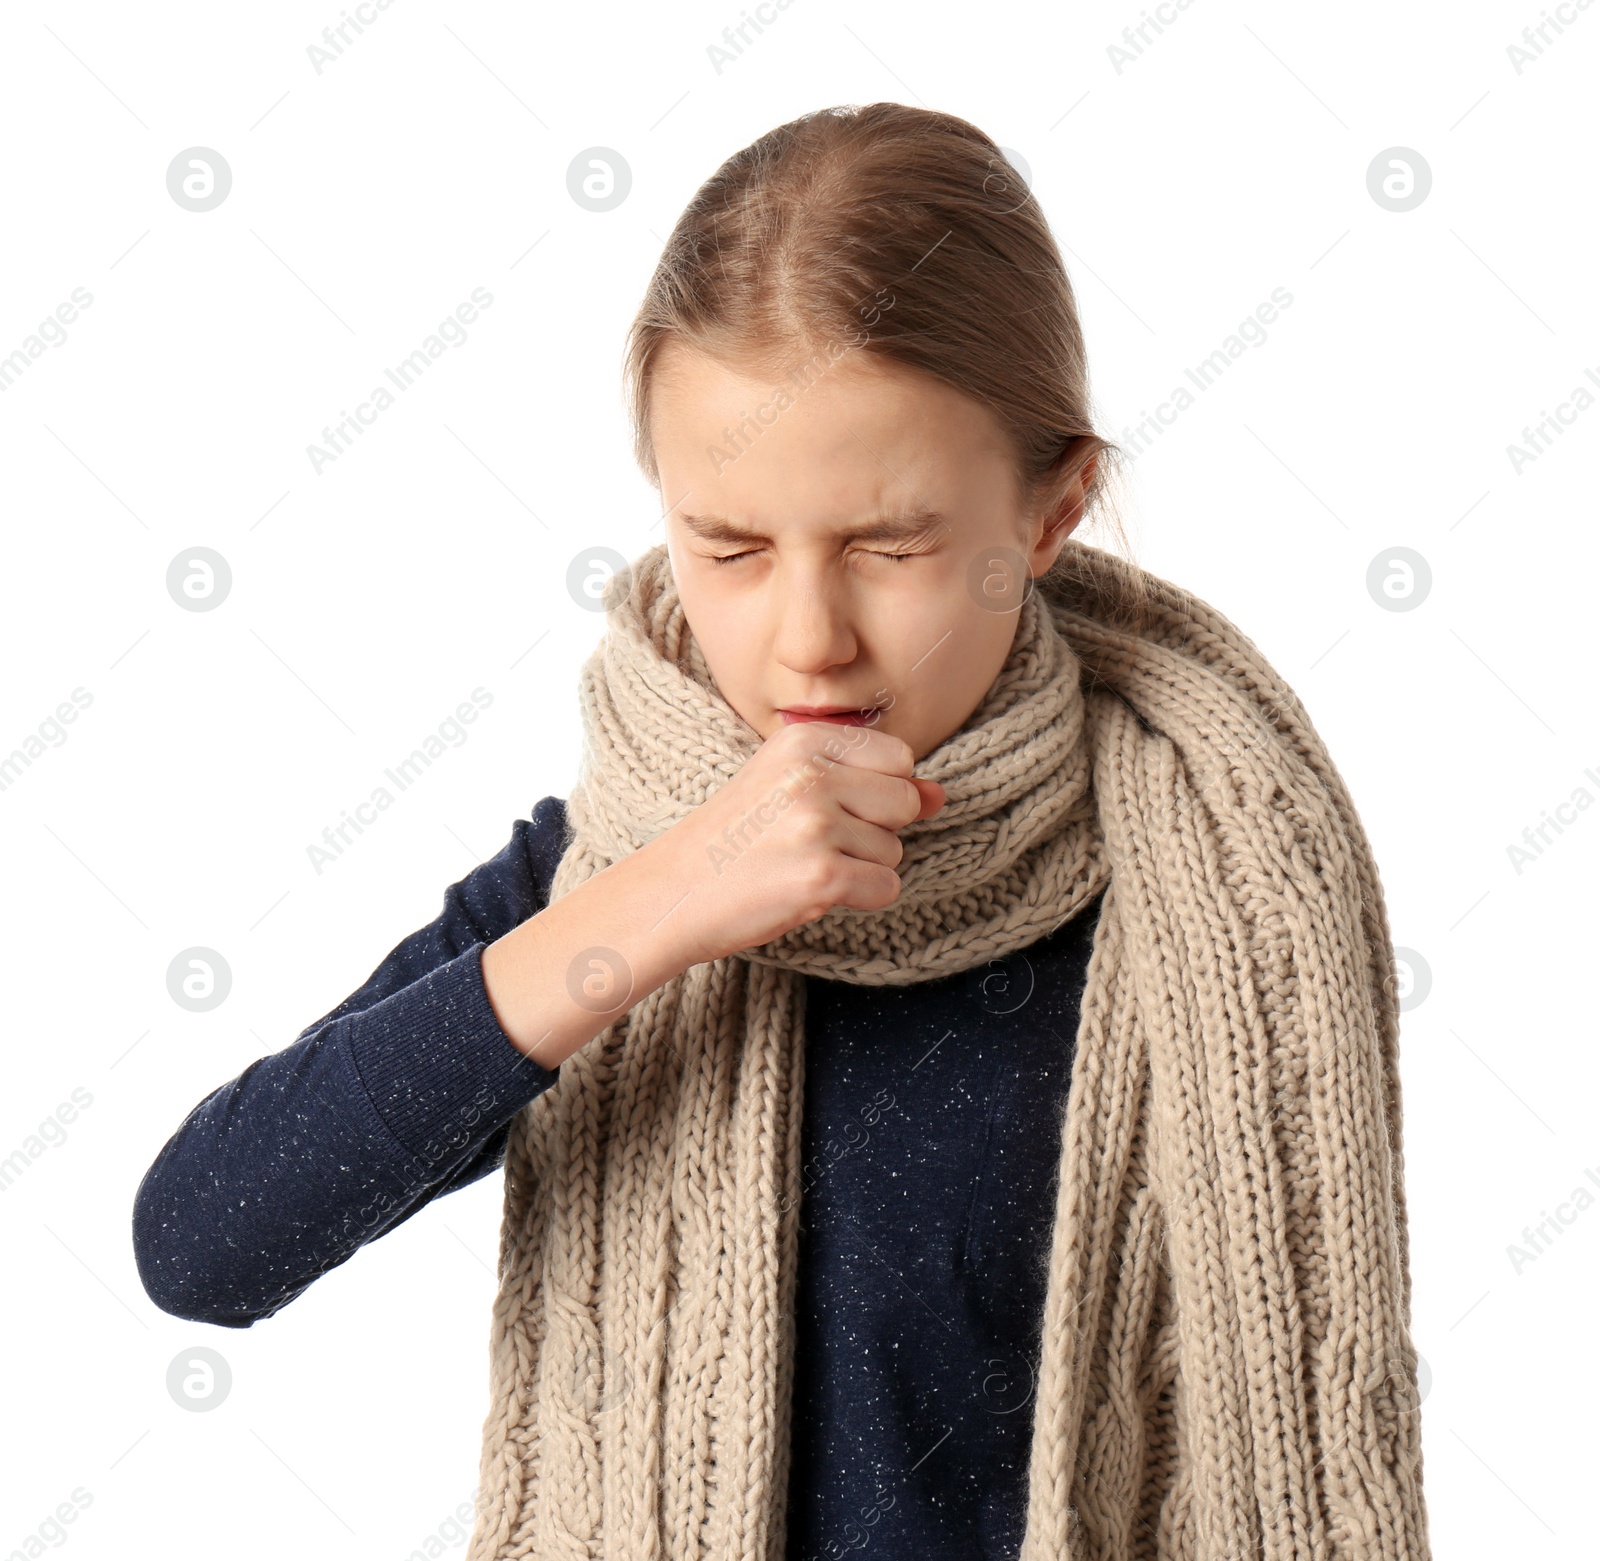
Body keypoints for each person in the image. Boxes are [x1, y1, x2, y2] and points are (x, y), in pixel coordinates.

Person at [134, 102, 1431, 1560]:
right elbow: (201, 1244)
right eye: (731, 549)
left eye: (889, 547)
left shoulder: (1218, 885)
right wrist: (662, 899)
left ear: (1054, 512)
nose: (806, 640)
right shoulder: (603, 873)